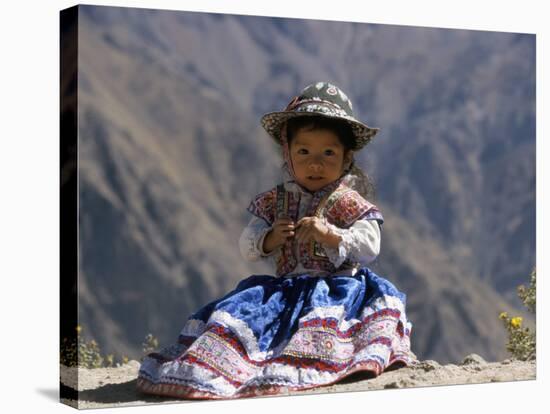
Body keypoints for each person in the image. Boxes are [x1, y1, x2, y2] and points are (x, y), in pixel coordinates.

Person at [136, 81, 417, 400]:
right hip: (283, 292)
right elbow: (247, 244)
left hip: (340, 290)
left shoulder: (349, 203)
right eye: (304, 151)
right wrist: (269, 239)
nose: (316, 163)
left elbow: (370, 245)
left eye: (328, 152)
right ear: (288, 153)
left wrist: (332, 235)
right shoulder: (274, 202)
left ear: (347, 157)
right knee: (238, 325)